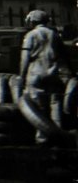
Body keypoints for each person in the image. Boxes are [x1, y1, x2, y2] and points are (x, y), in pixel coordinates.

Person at [19, 10, 70, 144]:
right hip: (53, 73)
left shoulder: (30, 36)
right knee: (55, 105)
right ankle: (58, 137)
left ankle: (42, 138)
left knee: (39, 109)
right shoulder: (54, 34)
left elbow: (25, 59)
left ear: (33, 21)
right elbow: (64, 56)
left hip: (35, 74)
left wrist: (21, 77)